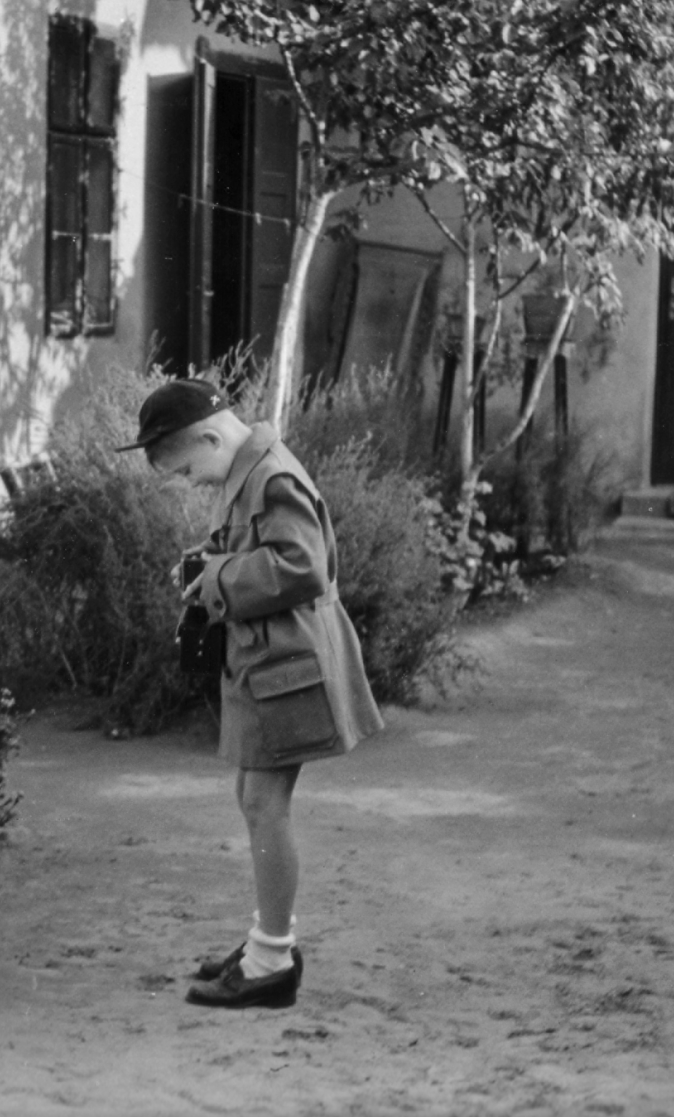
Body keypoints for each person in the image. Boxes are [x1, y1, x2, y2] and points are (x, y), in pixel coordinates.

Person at [119, 378, 385, 1009]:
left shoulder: (271, 477)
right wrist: (208, 558)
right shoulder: (248, 472)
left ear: (212, 438)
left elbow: (303, 566)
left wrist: (218, 576)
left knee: (266, 805)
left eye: (188, 470)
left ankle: (272, 960)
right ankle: (269, 940)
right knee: (254, 797)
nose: (192, 484)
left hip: (288, 664)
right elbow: (256, 548)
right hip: (267, 661)